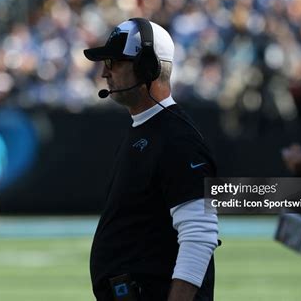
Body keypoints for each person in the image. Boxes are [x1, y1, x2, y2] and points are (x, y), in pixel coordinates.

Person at [83, 18, 219, 301]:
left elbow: (199, 235)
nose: (104, 72)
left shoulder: (177, 138)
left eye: (115, 62)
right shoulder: (144, 127)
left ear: (148, 67)